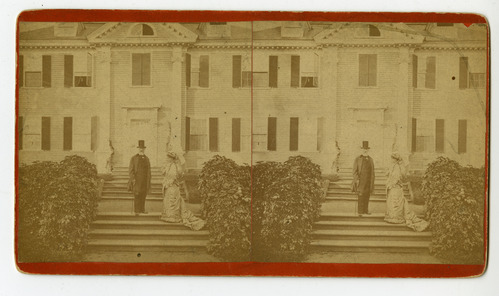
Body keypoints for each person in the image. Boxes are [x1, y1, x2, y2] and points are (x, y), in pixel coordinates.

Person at [160, 151, 205, 231]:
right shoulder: (168, 165)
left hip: (173, 186)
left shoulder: (175, 166)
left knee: (173, 200)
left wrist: (171, 181)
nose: (167, 159)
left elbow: (177, 176)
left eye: (169, 158)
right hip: (168, 186)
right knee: (168, 200)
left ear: (172, 159)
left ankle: (173, 217)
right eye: (167, 157)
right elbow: (164, 173)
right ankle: (168, 216)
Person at [384, 152, 429, 232]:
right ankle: (392, 217)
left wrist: (393, 183)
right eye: (391, 158)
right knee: (392, 202)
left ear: (395, 159)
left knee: (396, 202)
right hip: (392, 187)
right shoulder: (393, 166)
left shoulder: (398, 167)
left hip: (396, 187)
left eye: (392, 158)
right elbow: (388, 175)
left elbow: (399, 177)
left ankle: (397, 218)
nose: (391, 160)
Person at [128, 140, 151, 215]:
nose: (141, 149)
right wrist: (132, 178)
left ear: (144, 149)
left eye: (143, 148)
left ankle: (142, 209)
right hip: (137, 180)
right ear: (138, 149)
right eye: (140, 148)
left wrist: (148, 180)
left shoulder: (147, 159)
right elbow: (131, 170)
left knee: (143, 194)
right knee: (137, 194)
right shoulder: (134, 158)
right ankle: (136, 210)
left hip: (144, 180)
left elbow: (149, 170)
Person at [352, 141, 375, 216]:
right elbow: (354, 171)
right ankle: (360, 212)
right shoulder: (358, 159)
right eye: (364, 149)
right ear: (361, 150)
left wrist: (372, 181)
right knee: (361, 195)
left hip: (368, 181)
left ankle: (366, 210)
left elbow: (372, 171)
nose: (365, 150)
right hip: (361, 180)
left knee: (367, 195)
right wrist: (356, 179)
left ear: (368, 150)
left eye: (366, 149)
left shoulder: (370, 159)